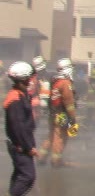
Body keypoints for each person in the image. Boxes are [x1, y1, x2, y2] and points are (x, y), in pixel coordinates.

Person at [4, 61, 38, 196]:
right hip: (20, 145)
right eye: (30, 78)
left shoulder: (21, 94)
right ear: (23, 80)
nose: (32, 81)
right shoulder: (15, 99)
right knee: (27, 176)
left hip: (21, 143)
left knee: (19, 174)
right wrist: (28, 147)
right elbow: (19, 127)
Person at [38, 58, 79, 167]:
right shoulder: (65, 83)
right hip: (62, 114)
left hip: (52, 113)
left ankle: (41, 157)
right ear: (67, 69)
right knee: (60, 137)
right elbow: (69, 102)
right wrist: (73, 117)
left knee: (51, 136)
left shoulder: (55, 81)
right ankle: (56, 160)